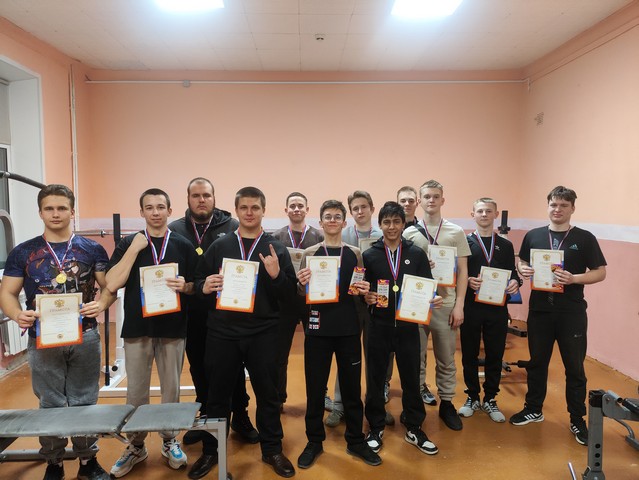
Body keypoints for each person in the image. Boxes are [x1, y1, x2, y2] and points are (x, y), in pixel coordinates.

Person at [0, 184, 112, 480]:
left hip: (85, 335)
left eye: (62, 208)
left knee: (85, 399)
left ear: (72, 212)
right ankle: (54, 462)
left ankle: (87, 461)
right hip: (43, 338)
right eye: (49, 208)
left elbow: (109, 287)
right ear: (40, 212)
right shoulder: (24, 252)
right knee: (50, 401)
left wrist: (101, 303)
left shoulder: (92, 249)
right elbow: (7, 293)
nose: (56, 213)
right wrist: (17, 314)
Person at [190, 186, 297, 479]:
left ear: (263, 210)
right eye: (244, 208)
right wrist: (204, 286)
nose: (249, 213)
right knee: (217, 396)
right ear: (236, 211)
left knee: (268, 395)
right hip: (223, 333)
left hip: (264, 333)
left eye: (255, 208)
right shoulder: (220, 246)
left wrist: (277, 275)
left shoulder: (276, 249)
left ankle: (272, 449)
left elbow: (289, 296)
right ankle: (211, 451)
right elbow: (198, 280)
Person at [107, 188, 197, 478]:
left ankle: (170, 439)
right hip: (138, 327)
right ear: (142, 212)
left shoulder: (183, 245)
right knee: (136, 391)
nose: (155, 212)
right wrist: (134, 249)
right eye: (149, 207)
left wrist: (186, 286)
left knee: (171, 388)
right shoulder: (128, 243)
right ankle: (136, 445)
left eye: (160, 207)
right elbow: (111, 282)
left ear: (170, 211)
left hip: (173, 327)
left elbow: (196, 284)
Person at [509, 186, 606, 446]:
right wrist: (523, 268)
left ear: (572, 208)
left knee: (574, 368)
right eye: (553, 204)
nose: (558, 209)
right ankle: (533, 409)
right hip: (540, 311)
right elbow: (522, 261)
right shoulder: (534, 235)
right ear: (548, 206)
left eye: (564, 205)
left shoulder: (584, 238)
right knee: (537, 363)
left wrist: (575, 278)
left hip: (571, 312)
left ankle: (577, 418)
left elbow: (600, 272)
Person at [168, 177, 257, 445]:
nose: (201, 200)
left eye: (206, 195)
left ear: (214, 198)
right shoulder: (176, 230)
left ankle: (240, 415)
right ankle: (206, 414)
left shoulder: (232, 226)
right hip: (192, 311)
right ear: (188, 199)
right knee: (199, 366)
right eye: (196, 195)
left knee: (234, 367)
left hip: (228, 312)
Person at [295, 199, 381, 469]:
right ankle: (314, 441)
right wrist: (301, 283)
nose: (332, 221)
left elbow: (359, 289)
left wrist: (365, 290)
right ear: (320, 222)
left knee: (352, 388)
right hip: (317, 329)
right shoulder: (310, 252)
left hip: (348, 329)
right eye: (327, 217)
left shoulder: (355, 253)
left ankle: (355, 440)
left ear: (344, 223)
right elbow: (300, 292)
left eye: (336, 217)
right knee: (315, 388)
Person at [362, 201, 442, 456]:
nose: (391, 227)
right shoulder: (369, 255)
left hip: (408, 327)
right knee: (375, 379)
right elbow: (360, 289)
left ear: (403, 223)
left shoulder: (416, 254)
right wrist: (367, 297)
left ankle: (414, 426)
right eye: (386, 222)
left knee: (411, 378)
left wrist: (434, 298)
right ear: (380, 224)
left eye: (396, 221)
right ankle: (375, 426)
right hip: (378, 326)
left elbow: (427, 285)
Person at [403, 179, 470, 431]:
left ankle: (447, 404)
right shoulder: (409, 233)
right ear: (420, 201)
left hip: (446, 303)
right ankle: (415, 404)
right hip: (417, 303)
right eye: (427, 197)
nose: (431, 200)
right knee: (415, 358)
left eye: (436, 196)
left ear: (443, 200)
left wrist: (459, 305)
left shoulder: (456, 232)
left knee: (446, 358)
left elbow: (463, 271)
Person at [326, 190, 385, 428]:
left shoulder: (383, 235)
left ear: (372, 208)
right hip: (349, 305)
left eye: (364, 207)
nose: (360, 212)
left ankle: (376, 405)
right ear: (350, 213)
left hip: (374, 302)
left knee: (375, 358)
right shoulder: (343, 234)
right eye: (355, 208)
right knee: (346, 358)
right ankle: (339, 405)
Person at [458, 198, 519, 423]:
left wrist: (516, 282)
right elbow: (457, 273)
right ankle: (472, 396)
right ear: (472, 214)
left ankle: (491, 398)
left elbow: (512, 272)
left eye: (488, 211)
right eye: (480, 211)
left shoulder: (505, 245)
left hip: (497, 308)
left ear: (495, 214)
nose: (484, 214)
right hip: (471, 307)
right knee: (469, 353)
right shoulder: (465, 242)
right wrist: (467, 281)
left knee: (495, 354)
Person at [272, 192, 324, 410]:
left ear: (307, 209)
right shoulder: (276, 237)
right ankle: (278, 397)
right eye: (292, 206)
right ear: (286, 210)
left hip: (311, 301)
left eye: (300, 205)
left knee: (316, 353)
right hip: (284, 302)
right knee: (279, 354)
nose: (296, 209)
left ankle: (321, 396)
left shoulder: (319, 236)